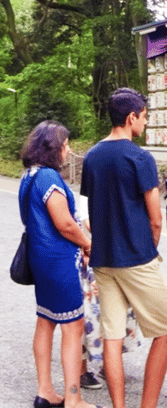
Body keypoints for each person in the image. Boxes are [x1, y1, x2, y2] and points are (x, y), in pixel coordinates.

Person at [81, 88, 167, 408]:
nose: (146, 123)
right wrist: (148, 253)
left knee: (112, 337)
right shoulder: (140, 157)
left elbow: (90, 213)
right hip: (136, 258)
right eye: (144, 117)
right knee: (166, 331)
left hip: (103, 260)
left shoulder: (92, 156)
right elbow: (155, 220)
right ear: (130, 117)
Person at [18, 121, 99, 408]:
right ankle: (73, 399)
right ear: (53, 148)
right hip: (59, 262)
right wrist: (88, 243)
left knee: (46, 321)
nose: (68, 150)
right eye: (65, 145)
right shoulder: (49, 177)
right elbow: (64, 223)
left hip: (40, 261)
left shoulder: (29, 175)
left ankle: (45, 391)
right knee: (73, 326)